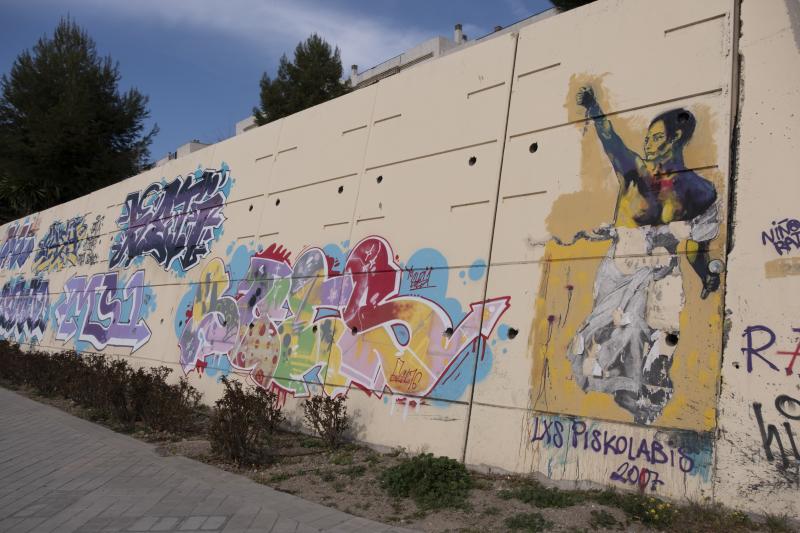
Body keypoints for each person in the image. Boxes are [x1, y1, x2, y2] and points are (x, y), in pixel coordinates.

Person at [566, 86, 721, 424]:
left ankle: (645, 392)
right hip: (621, 268)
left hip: (665, 271)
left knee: (664, 336)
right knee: (620, 331)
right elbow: (611, 139)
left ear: (676, 137)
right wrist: (593, 107)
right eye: (647, 137)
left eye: (655, 137)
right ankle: (626, 390)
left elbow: (696, 244)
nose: (648, 144)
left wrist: (707, 274)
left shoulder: (699, 191)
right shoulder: (635, 172)